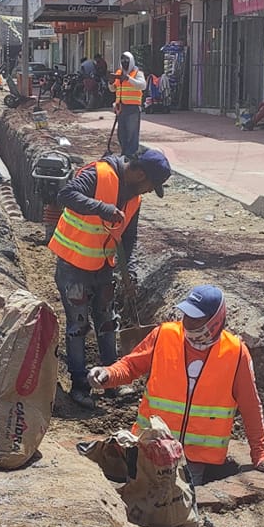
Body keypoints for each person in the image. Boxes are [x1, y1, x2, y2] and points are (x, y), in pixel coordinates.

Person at [90, 284, 264, 482]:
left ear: (215, 320)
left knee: (179, 506)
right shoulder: (164, 335)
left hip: (193, 460)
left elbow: (250, 406)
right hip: (149, 448)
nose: (188, 322)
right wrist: (108, 374)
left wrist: (259, 454)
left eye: (196, 318)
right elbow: (130, 366)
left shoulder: (235, 353)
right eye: (186, 315)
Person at [49, 147, 174, 409]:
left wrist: (128, 270)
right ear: (139, 173)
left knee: (108, 323)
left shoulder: (134, 200)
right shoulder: (98, 173)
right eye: (151, 184)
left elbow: (129, 237)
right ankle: (80, 386)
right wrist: (101, 208)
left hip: (103, 268)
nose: (150, 190)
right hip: (73, 265)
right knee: (78, 326)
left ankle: (111, 380)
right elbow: (66, 194)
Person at [111, 51, 147, 158]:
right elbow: (113, 88)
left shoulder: (137, 73)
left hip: (132, 108)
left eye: (127, 61)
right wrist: (110, 82)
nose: (125, 63)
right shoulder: (119, 73)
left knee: (132, 134)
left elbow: (142, 85)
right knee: (121, 134)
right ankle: (124, 153)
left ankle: (131, 155)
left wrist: (128, 78)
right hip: (121, 108)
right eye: (123, 61)